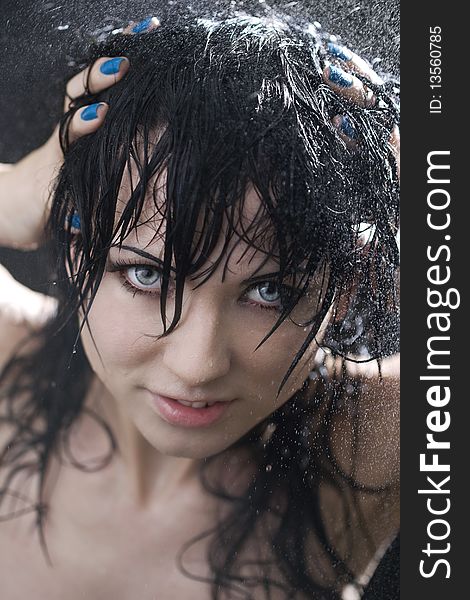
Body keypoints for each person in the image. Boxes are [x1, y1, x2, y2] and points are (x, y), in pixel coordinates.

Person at [0, 13, 400, 599]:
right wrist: (12, 195)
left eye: (270, 291)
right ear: (75, 240)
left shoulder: (368, 442)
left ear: (345, 288)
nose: (198, 366)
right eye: (145, 274)